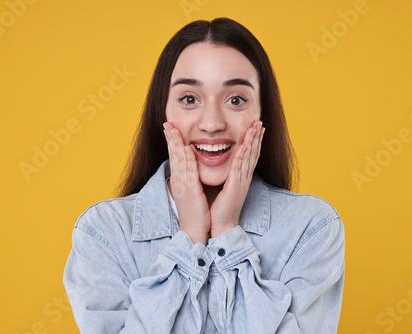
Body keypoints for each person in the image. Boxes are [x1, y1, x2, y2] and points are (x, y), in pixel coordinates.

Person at [63, 17, 345, 333]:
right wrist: (191, 234)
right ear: (164, 112)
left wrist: (225, 231)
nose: (211, 123)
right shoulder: (103, 234)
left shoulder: (311, 228)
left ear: (262, 113)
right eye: (189, 99)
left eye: (236, 99)